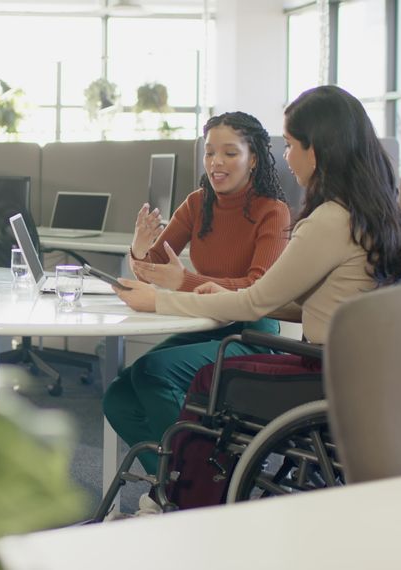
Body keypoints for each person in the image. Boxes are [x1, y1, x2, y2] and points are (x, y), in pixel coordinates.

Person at [117, 86, 401, 509]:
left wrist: (160, 300)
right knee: (147, 382)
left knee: (211, 378)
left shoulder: (328, 219)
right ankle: (178, 486)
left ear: (319, 150)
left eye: (292, 145)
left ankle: (182, 498)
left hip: (323, 373)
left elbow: (254, 303)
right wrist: (218, 288)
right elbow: (304, 301)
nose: (287, 156)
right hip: (357, 370)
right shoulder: (373, 211)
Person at [103, 111, 291, 478]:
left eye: (230, 153)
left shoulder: (274, 212)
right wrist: (141, 247)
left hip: (250, 333)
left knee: (153, 372)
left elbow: (258, 288)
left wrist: (184, 281)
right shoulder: (197, 203)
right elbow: (153, 267)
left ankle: (199, 480)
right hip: (203, 325)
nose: (216, 163)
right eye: (209, 153)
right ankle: (173, 484)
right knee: (118, 397)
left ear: (253, 158)